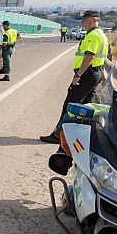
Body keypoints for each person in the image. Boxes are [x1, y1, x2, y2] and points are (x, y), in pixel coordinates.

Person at [40, 10, 109, 144]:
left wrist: (78, 75)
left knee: (70, 104)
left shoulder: (93, 35)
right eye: (82, 20)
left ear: (95, 20)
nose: (83, 22)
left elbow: (89, 56)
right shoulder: (101, 34)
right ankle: (86, 135)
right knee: (87, 105)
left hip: (87, 74)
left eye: (86, 19)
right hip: (95, 73)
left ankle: (58, 135)